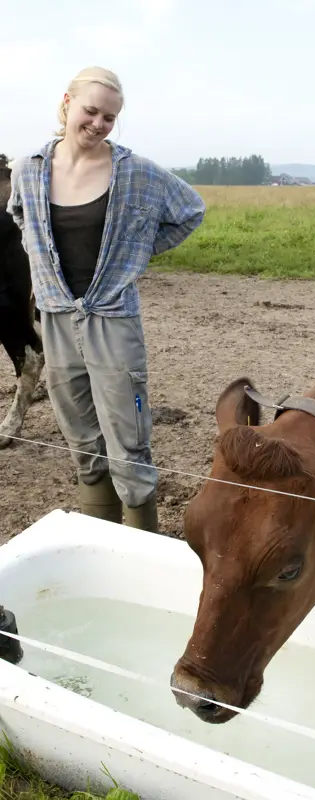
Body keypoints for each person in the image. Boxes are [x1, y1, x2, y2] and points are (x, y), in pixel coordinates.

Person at [7, 66, 206, 532]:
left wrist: (132, 255)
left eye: (110, 118)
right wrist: (42, 266)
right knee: (80, 435)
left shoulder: (134, 172)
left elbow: (190, 211)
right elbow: (20, 216)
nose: (98, 124)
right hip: (55, 317)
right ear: (67, 103)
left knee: (127, 438)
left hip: (112, 318)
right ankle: (102, 542)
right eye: (91, 111)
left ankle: (141, 546)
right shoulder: (29, 168)